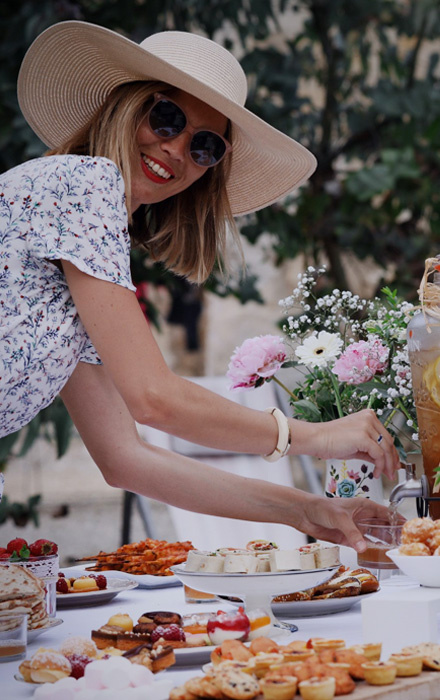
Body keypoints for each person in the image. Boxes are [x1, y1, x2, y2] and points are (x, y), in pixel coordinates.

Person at [0, 21, 401, 552]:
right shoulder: (83, 184)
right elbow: (155, 399)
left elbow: (126, 459)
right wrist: (316, 436)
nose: (175, 149)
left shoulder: (84, 241)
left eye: (206, 146)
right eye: (166, 117)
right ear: (127, 104)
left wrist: (306, 510)